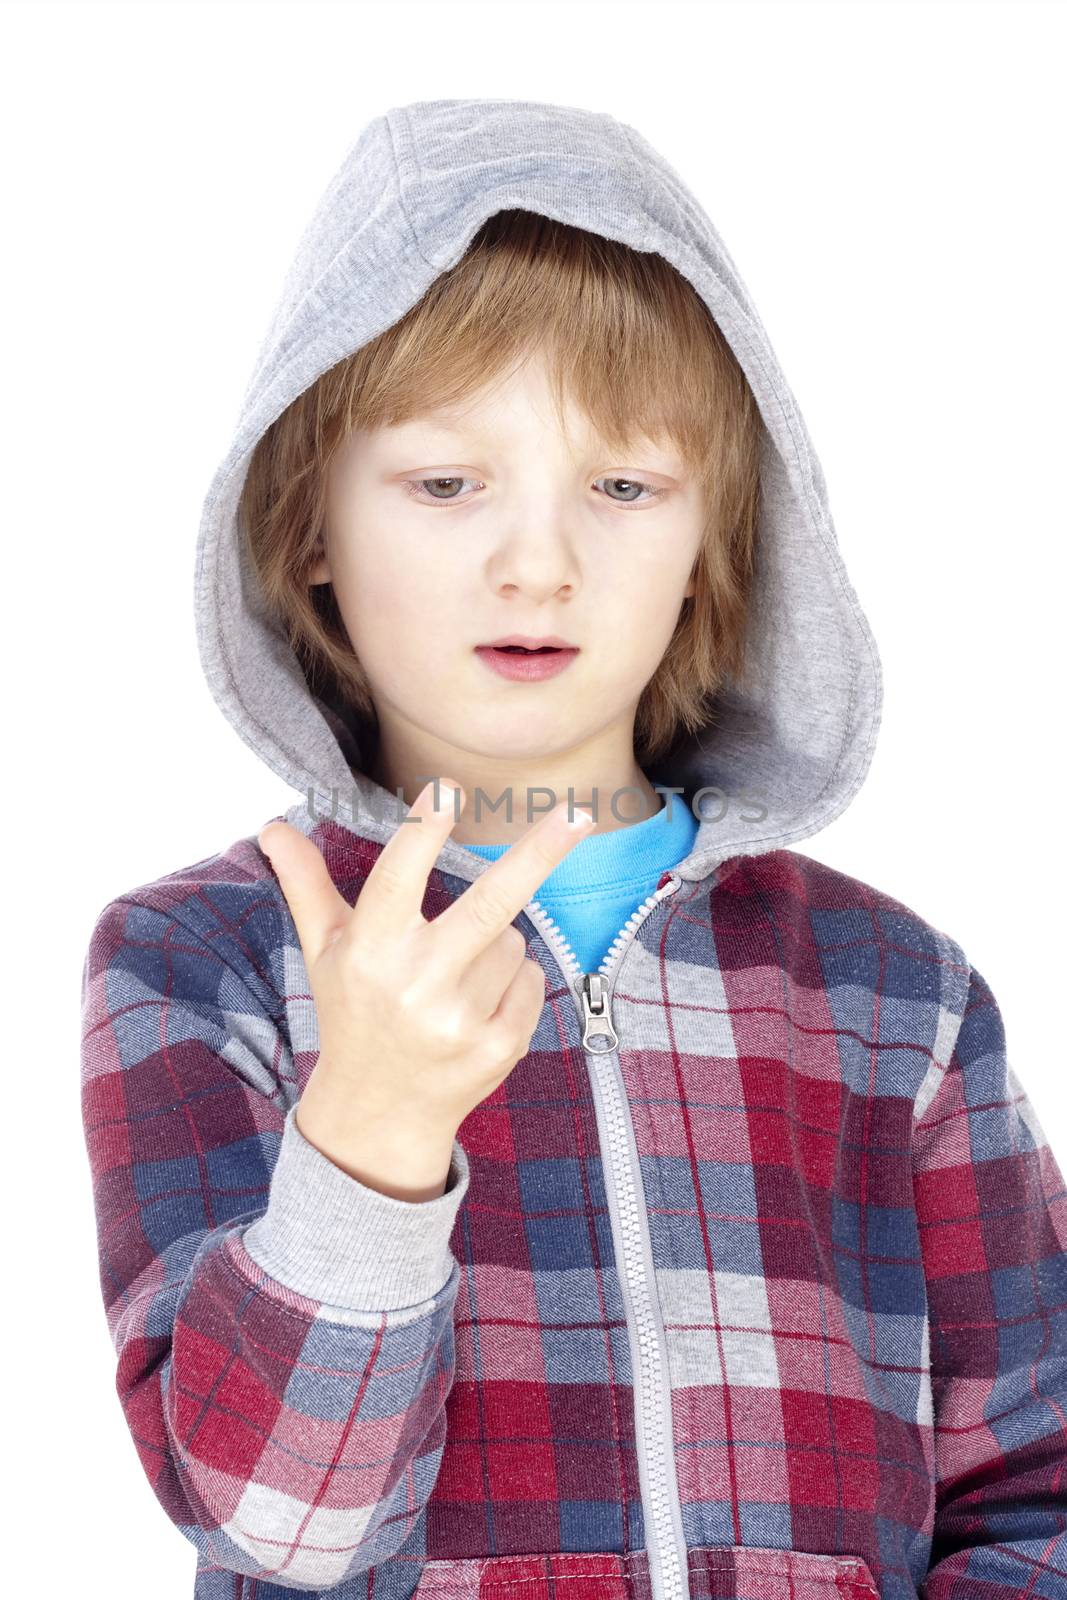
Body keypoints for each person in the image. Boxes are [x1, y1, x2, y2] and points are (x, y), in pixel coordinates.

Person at [79, 97, 1067, 1600]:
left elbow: (1040, 1487)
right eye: (443, 482)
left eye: (622, 487)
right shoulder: (203, 962)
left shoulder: (895, 996)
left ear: (711, 544)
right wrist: (377, 1135)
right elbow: (278, 1524)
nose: (536, 560)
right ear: (309, 530)